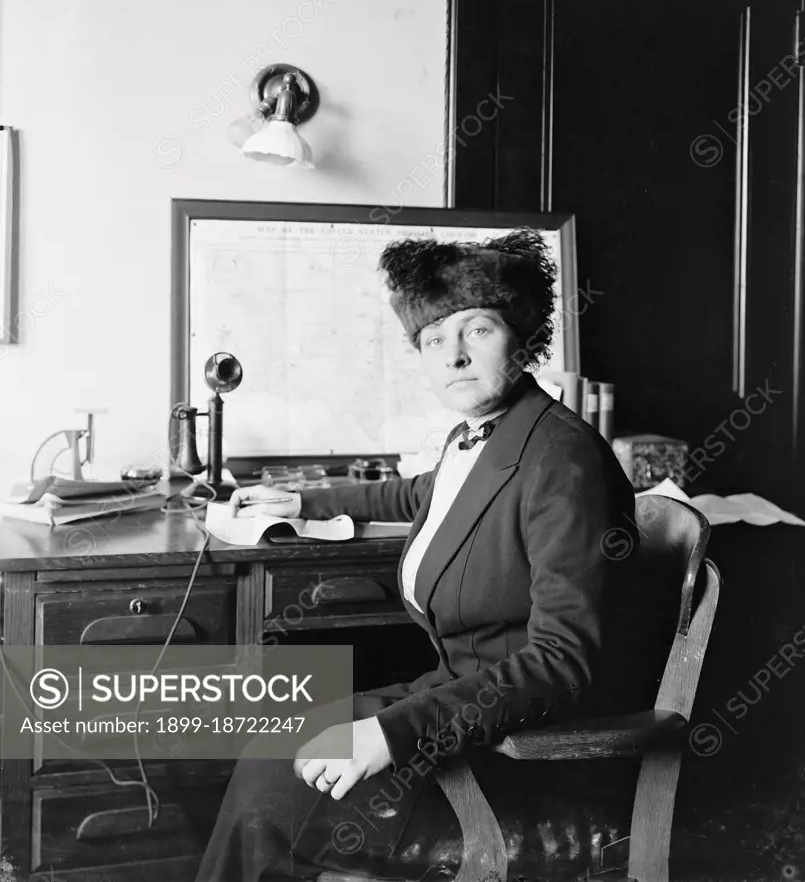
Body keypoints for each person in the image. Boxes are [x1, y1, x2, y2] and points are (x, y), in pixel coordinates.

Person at [195, 228, 663, 882]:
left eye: (476, 331)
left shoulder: (562, 457)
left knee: (273, 784)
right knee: (275, 740)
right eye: (434, 339)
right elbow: (421, 490)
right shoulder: (481, 435)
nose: (454, 357)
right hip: (460, 709)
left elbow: (562, 663)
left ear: (521, 337)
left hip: (524, 755)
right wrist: (303, 501)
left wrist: (387, 734)